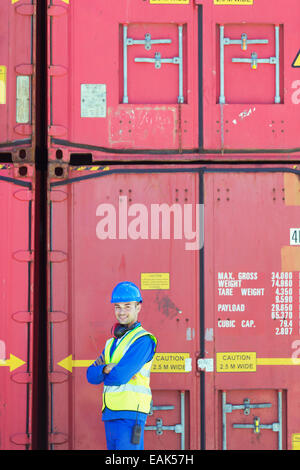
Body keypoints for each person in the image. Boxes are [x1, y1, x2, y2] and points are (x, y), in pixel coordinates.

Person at [86, 281, 157, 450]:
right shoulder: (111, 343)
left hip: (131, 415)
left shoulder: (143, 340)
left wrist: (108, 371)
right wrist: (105, 368)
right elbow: (90, 375)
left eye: (127, 306)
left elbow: (120, 376)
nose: (122, 312)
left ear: (138, 307)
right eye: (118, 307)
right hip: (110, 414)